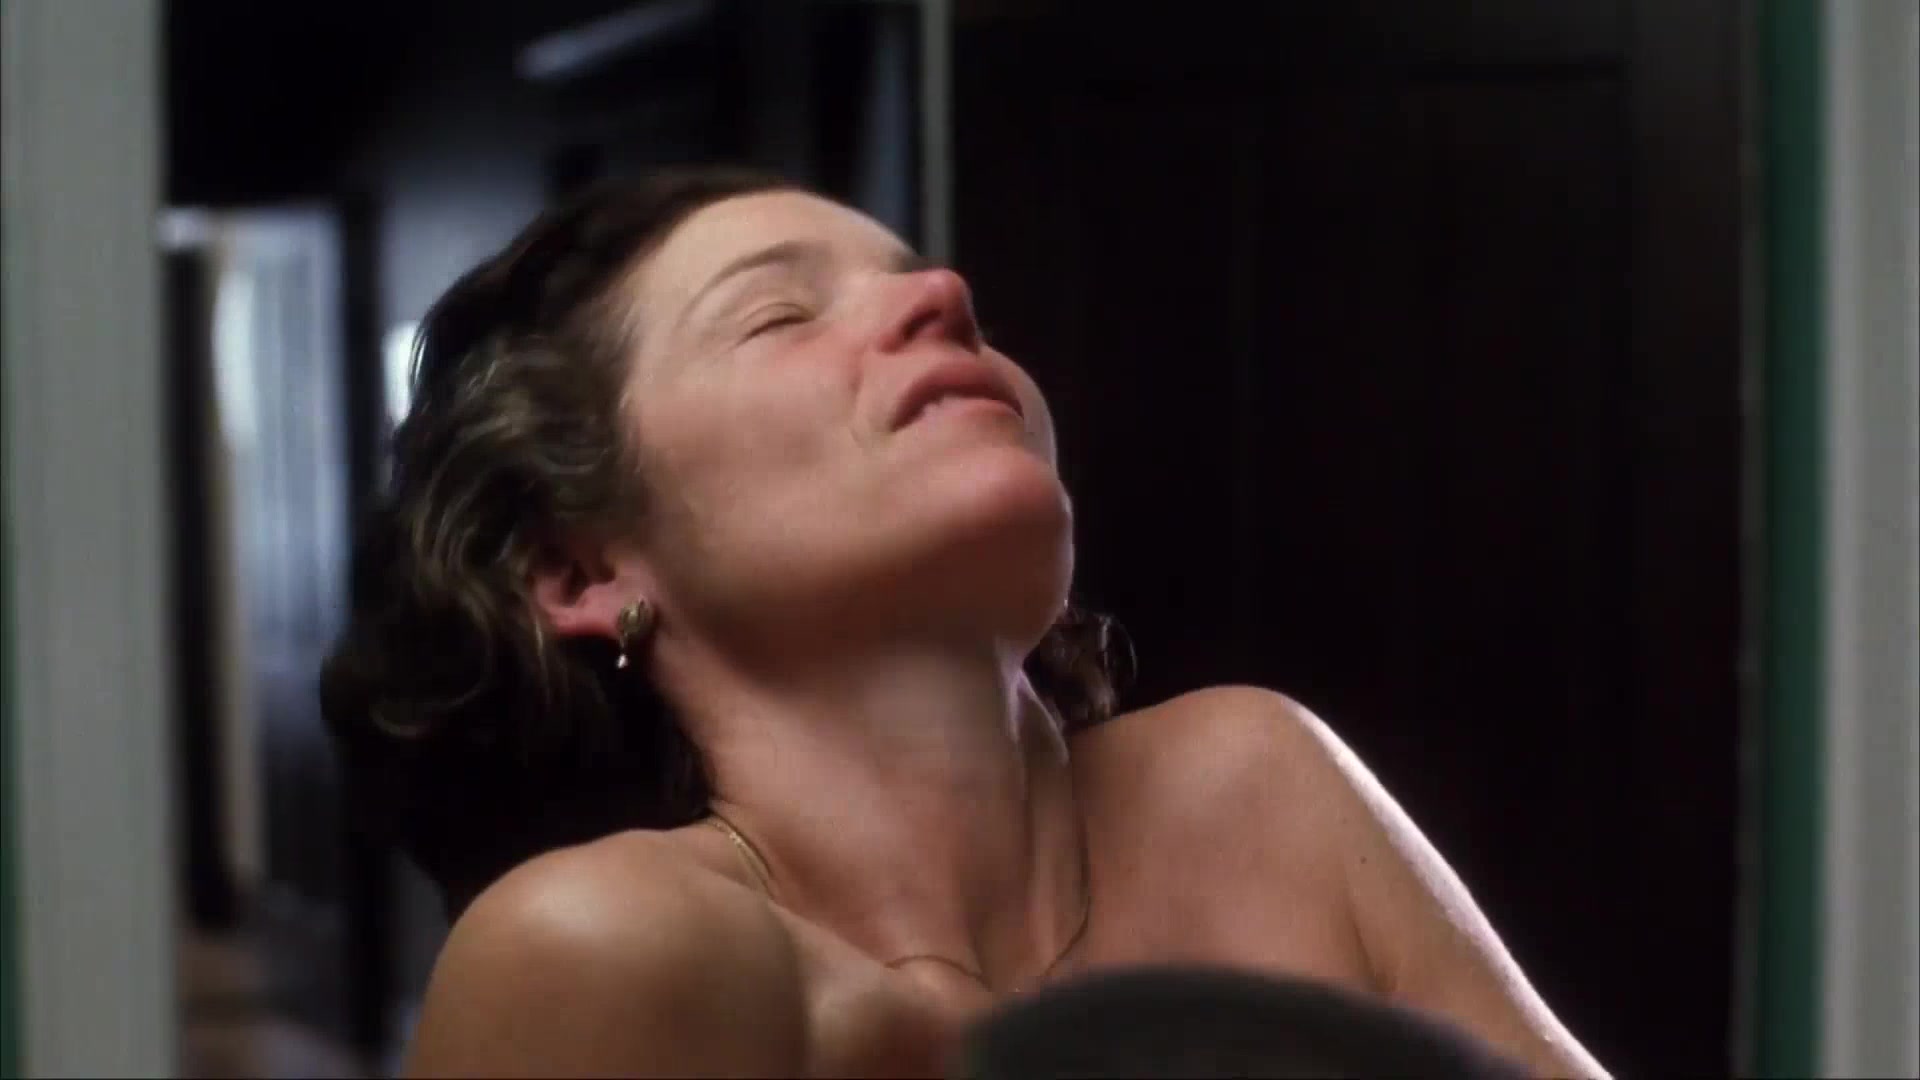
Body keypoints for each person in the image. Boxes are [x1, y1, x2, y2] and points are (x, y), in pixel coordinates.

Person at [320, 166, 1608, 1079]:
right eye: (779, 315)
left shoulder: (1259, 776)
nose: (941, 293)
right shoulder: (601, 947)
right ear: (578, 569)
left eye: (930, 284)